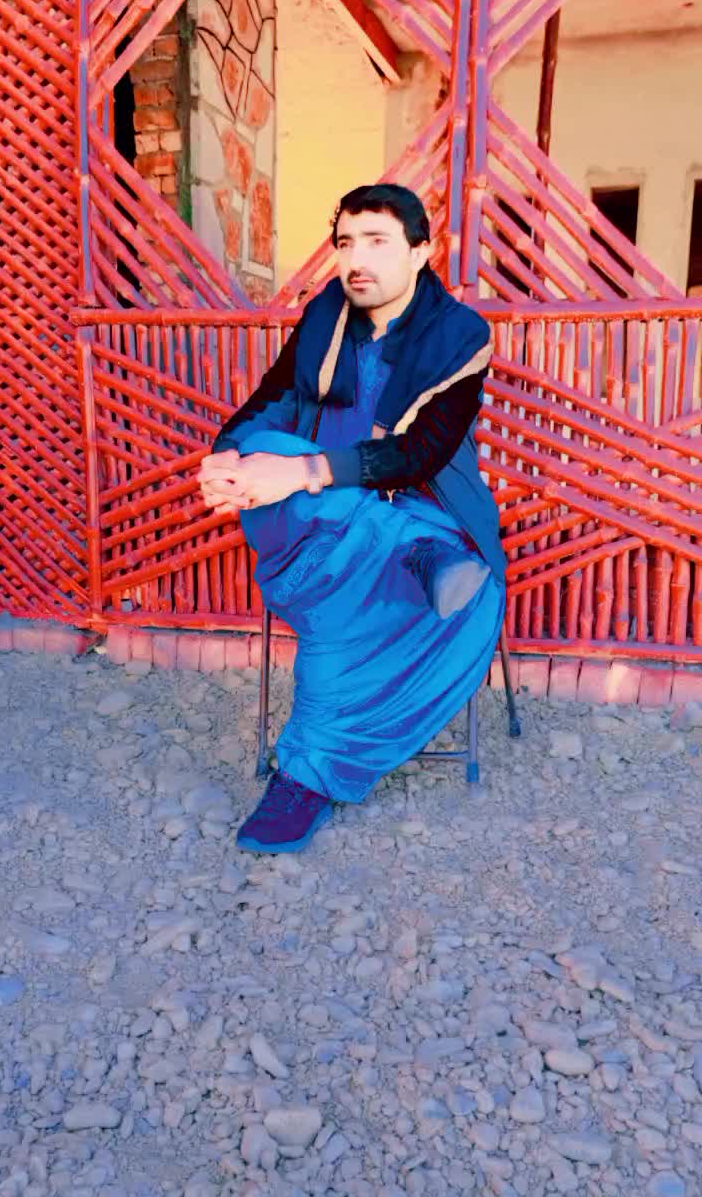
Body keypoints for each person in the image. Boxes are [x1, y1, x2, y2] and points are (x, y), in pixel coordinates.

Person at [198, 182, 506, 854]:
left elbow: (419, 455)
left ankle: (306, 776)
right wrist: (226, 456)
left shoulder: (458, 335)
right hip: (327, 531)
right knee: (267, 444)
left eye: (377, 242)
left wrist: (300, 472)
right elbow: (271, 401)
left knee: (338, 608)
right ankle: (413, 553)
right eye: (345, 243)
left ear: (421, 251)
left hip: (423, 505)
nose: (356, 259)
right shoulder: (323, 317)